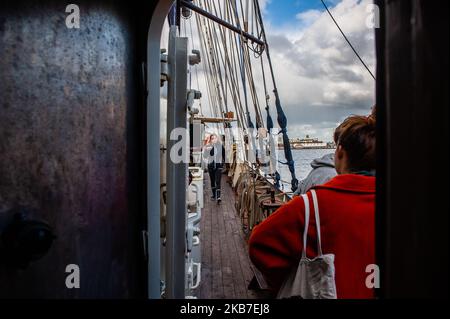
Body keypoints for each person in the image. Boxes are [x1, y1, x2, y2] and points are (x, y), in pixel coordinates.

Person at [248, 112, 376, 299]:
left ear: (339, 152)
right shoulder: (398, 206)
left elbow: (259, 243)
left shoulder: (310, 205)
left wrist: (285, 280)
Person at [204, 133, 225, 202]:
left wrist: (223, 165)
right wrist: (207, 149)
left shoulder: (220, 146)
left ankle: (218, 197)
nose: (213, 139)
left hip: (218, 166)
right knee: (212, 181)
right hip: (211, 166)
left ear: (217, 139)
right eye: (212, 138)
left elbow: (224, 156)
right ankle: (214, 195)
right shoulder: (208, 146)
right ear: (211, 140)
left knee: (218, 181)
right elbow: (205, 156)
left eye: (215, 138)